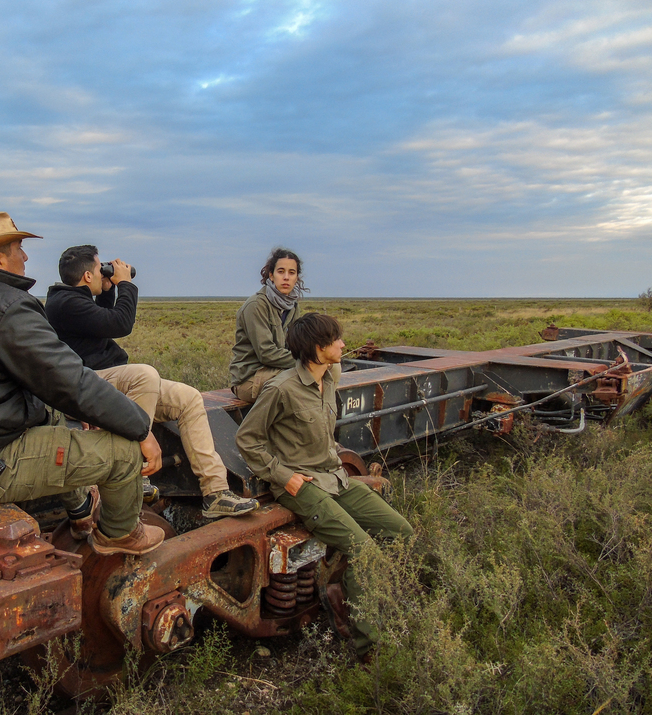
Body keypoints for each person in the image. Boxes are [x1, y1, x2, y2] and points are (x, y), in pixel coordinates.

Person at [0, 212, 165, 556]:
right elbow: (70, 380)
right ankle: (118, 536)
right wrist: (140, 429)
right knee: (125, 452)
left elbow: (43, 377)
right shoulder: (6, 306)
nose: (25, 257)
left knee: (54, 416)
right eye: (18, 248)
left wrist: (81, 410)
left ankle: (81, 510)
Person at [235, 313, 412, 659]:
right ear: (318, 349)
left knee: (401, 531)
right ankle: (367, 648)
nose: (343, 344)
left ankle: (345, 595)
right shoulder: (281, 389)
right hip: (305, 486)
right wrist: (283, 476)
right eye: (336, 340)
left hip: (336, 478)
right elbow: (248, 439)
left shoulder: (329, 378)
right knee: (364, 550)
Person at [45, 244, 259, 519]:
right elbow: (120, 324)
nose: (103, 273)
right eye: (100, 269)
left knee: (188, 397)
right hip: (88, 384)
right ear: (87, 276)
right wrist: (126, 285)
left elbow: (102, 323)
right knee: (144, 374)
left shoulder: (74, 301)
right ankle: (135, 472)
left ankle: (215, 492)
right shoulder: (64, 303)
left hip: (108, 380)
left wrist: (108, 290)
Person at [229, 248, 306, 403]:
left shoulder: (292, 306)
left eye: (291, 272)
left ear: (297, 277)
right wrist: (306, 361)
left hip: (279, 370)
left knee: (327, 371)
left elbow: (295, 345)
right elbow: (266, 353)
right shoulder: (256, 305)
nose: (286, 277)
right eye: (281, 271)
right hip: (250, 377)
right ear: (271, 275)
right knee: (300, 383)